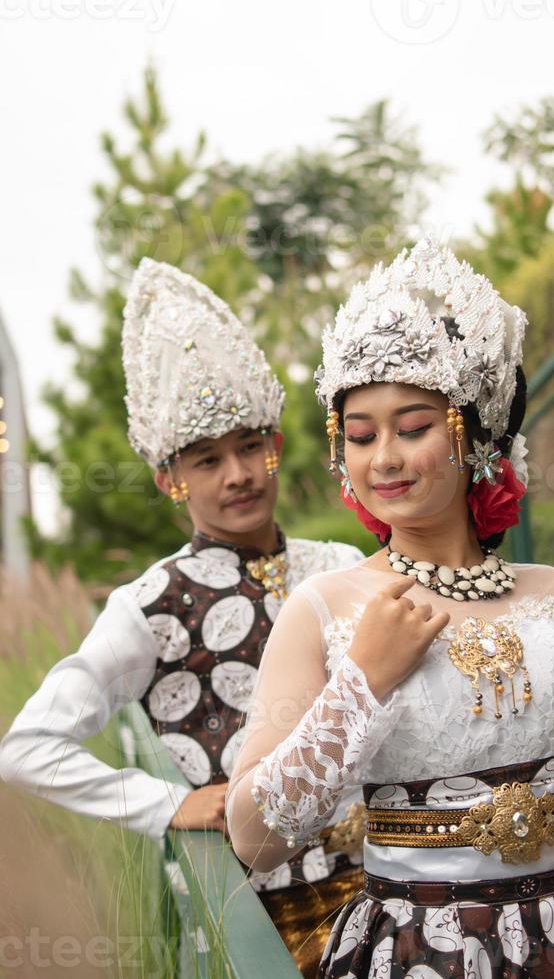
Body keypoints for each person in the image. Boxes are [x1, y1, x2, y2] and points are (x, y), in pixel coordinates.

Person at [227, 240, 554, 977]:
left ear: (471, 434)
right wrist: (361, 682)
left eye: (413, 427)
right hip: (421, 954)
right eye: (359, 436)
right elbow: (255, 839)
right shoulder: (324, 609)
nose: (383, 458)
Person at [0, 258, 365, 977]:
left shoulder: (341, 563)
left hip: (389, 880)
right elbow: (26, 748)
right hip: (268, 916)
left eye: (249, 447)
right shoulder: (150, 604)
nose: (237, 474)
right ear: (171, 480)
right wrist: (167, 803)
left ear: (276, 447)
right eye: (206, 460)